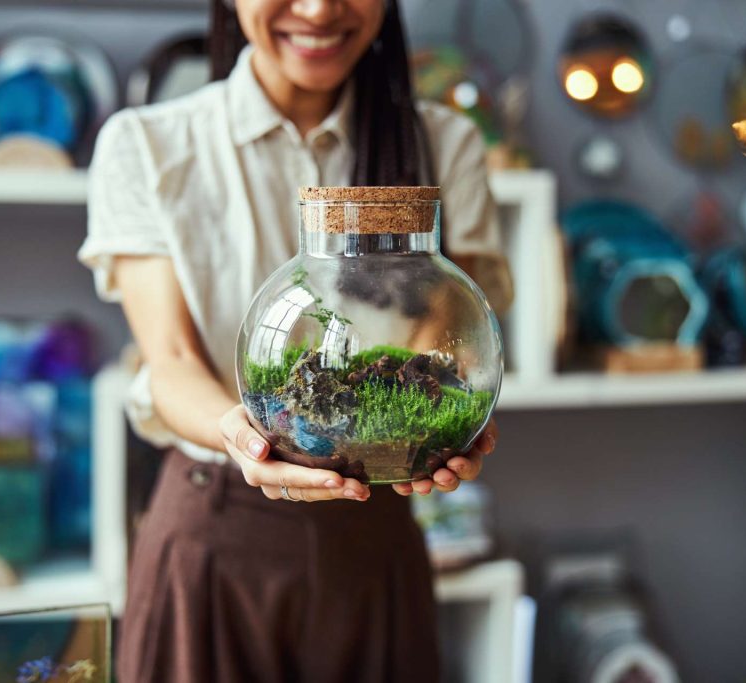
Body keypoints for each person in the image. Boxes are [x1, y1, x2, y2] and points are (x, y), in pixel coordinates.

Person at [78, 0, 513, 680]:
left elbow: (443, 340)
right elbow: (170, 359)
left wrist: (436, 423)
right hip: (215, 530)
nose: (317, 9)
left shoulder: (443, 143)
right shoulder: (148, 144)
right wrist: (242, 434)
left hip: (375, 526)